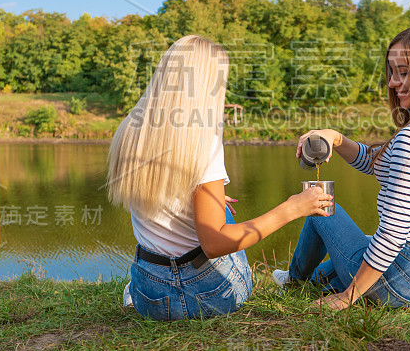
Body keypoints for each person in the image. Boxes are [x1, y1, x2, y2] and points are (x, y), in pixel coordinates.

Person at [107, 35, 332, 321]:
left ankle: (135, 290)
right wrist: (292, 208)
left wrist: (197, 199)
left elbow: (153, 192)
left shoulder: (130, 129)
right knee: (225, 221)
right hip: (210, 297)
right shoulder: (203, 141)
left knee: (216, 209)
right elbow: (214, 244)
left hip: (149, 295)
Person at [273, 24, 410, 310]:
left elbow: (394, 234)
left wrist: (348, 298)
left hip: (409, 282)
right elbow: (375, 162)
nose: (393, 83)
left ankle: (293, 283)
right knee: (364, 242)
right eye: (392, 72)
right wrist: (336, 138)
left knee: (319, 207)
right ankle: (314, 282)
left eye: (404, 72)